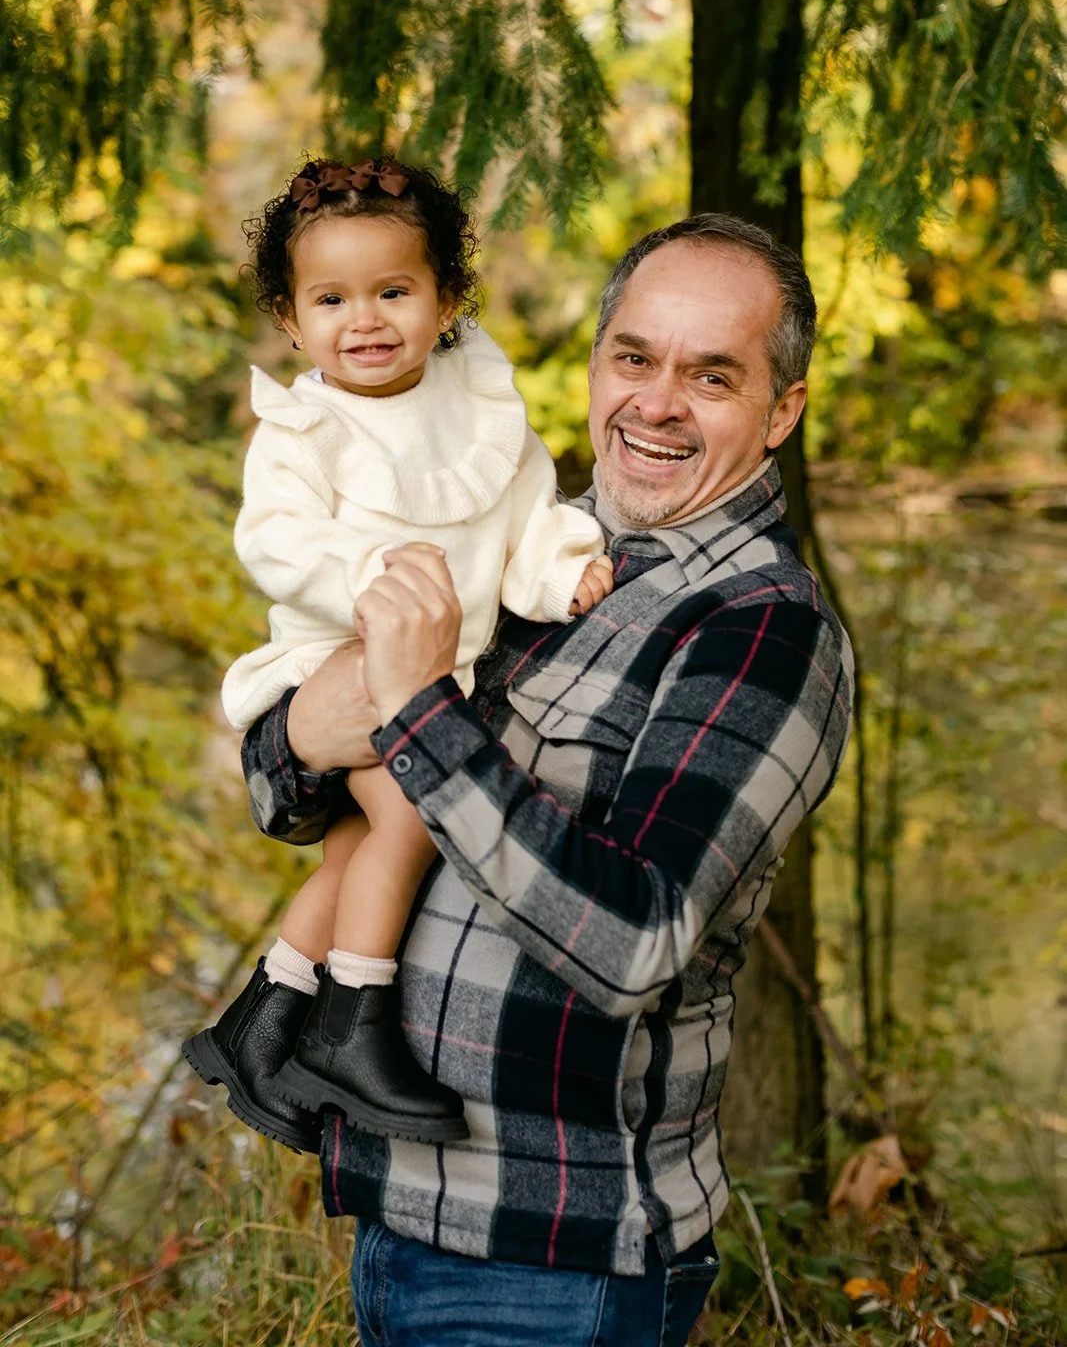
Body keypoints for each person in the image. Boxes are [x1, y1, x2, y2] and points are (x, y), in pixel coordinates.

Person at [234, 213, 854, 1347]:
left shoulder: (761, 629)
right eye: (634, 357)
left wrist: (417, 707)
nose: (655, 404)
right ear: (597, 364)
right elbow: (295, 800)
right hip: (393, 1221)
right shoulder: (527, 544)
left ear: (781, 411)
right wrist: (301, 740)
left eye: (711, 376)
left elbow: (636, 941)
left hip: (554, 1267)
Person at [184, 157, 611, 1153]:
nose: (363, 320)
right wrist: (375, 575)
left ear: (445, 299)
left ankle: (261, 1024)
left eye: (392, 291)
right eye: (330, 299)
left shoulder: (478, 403)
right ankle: (353, 1024)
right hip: (339, 662)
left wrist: (556, 573)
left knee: (352, 850)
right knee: (412, 818)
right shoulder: (304, 427)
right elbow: (277, 545)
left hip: (432, 672)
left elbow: (523, 512)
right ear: (291, 320)